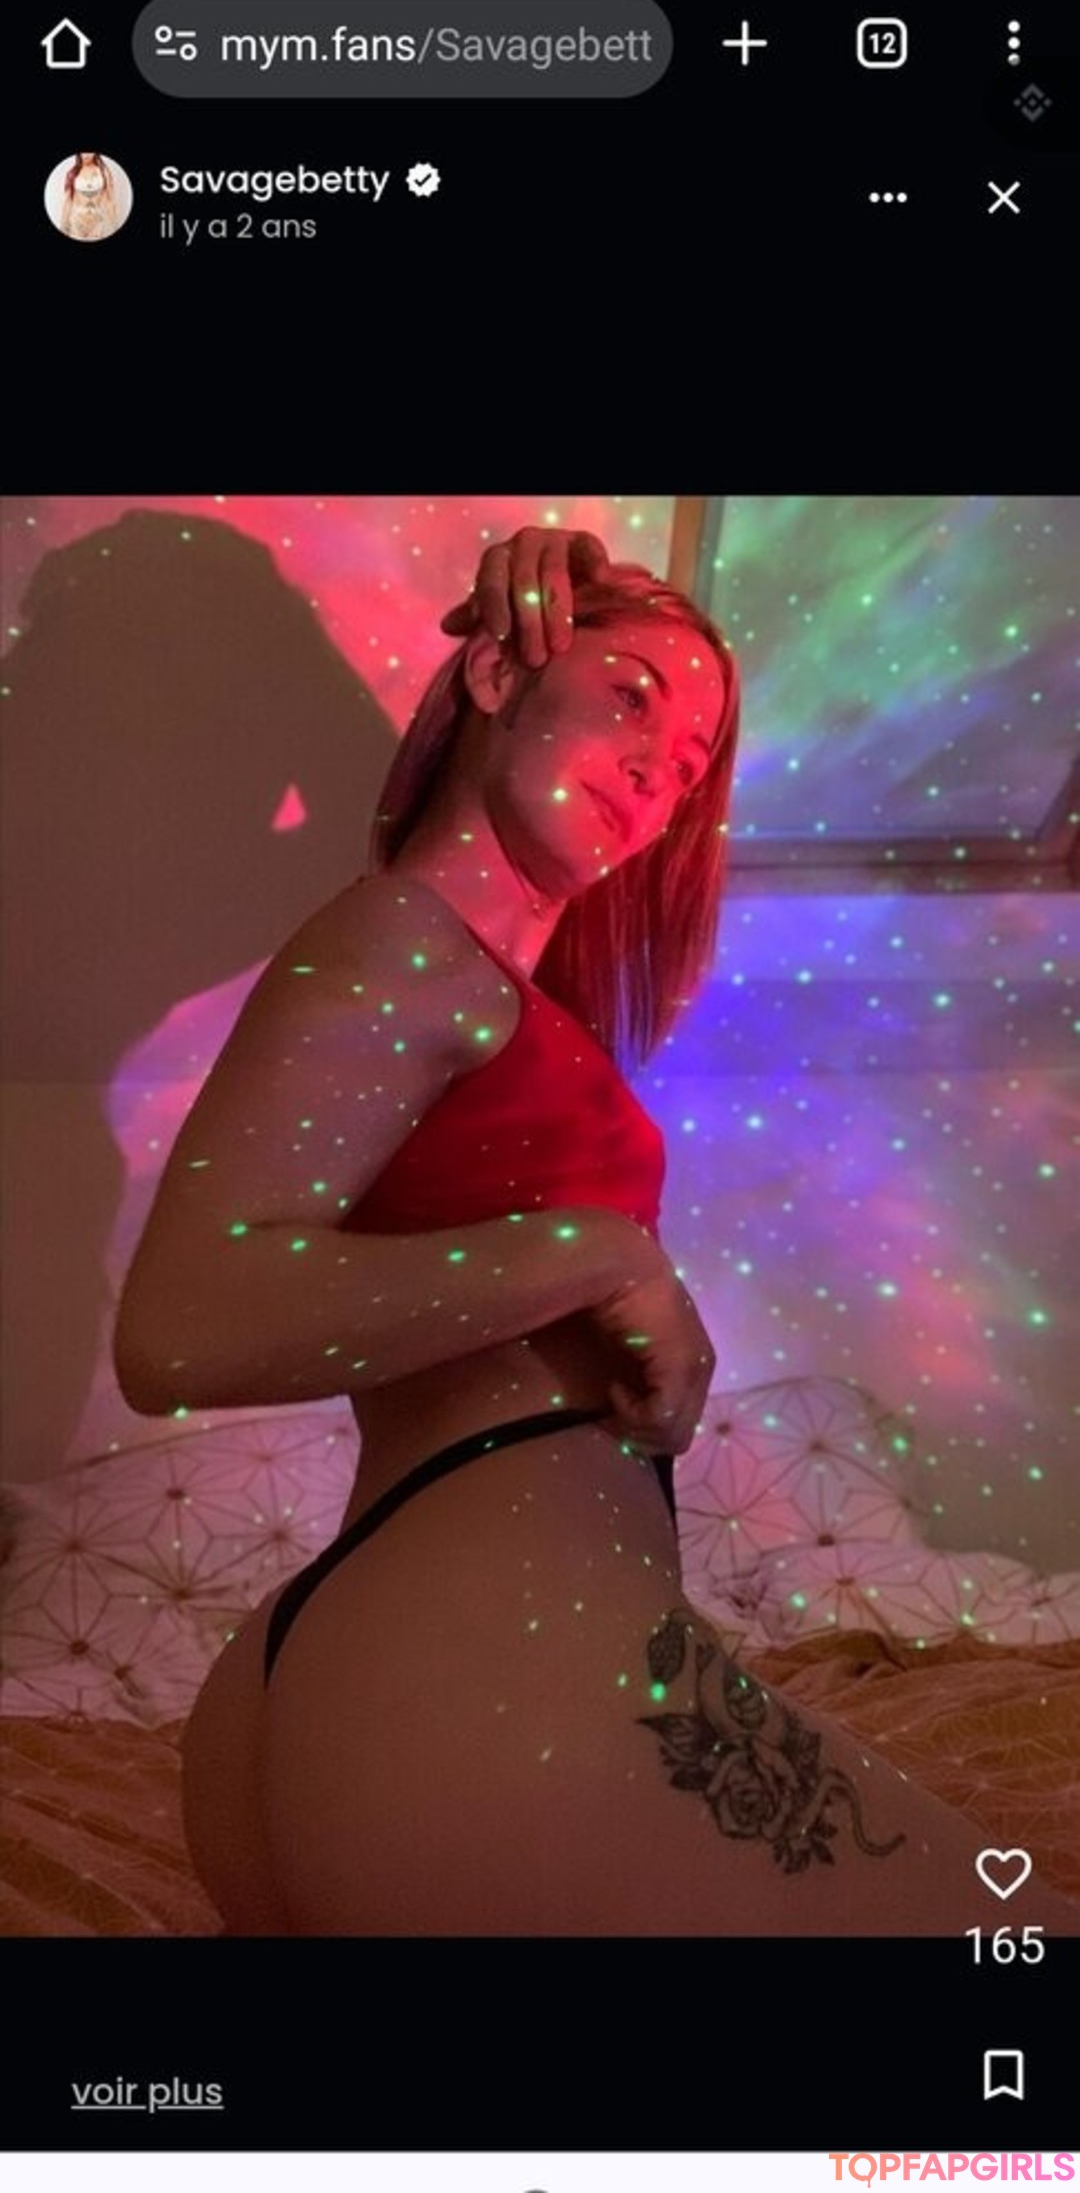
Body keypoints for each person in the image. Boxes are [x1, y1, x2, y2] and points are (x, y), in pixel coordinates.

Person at [114, 525, 1079, 1937]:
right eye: (630, 696)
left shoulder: (492, 990)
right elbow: (181, 1325)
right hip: (480, 1675)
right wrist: (600, 1252)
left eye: (688, 759)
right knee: (1022, 1957)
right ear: (500, 671)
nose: (657, 768)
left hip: (412, 1668)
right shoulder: (401, 937)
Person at [60, 154, 120, 240]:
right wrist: (63, 227)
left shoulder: (104, 172)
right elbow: (67, 202)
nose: (86, 155)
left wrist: (115, 225)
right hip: (77, 222)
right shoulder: (73, 173)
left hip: (97, 223)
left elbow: (110, 200)